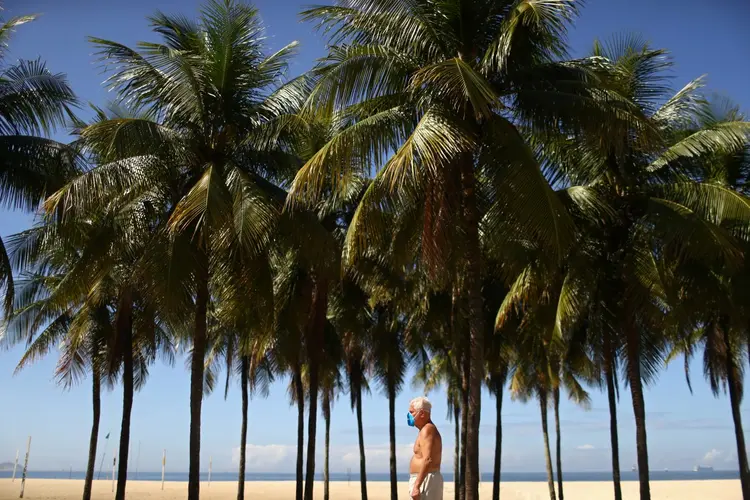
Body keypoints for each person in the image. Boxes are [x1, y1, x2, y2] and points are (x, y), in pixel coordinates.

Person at [408, 396, 443, 500]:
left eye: (412, 412)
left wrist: (417, 486)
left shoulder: (427, 430)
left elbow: (427, 459)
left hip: (426, 480)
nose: (409, 415)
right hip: (424, 479)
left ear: (422, 413)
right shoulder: (425, 430)